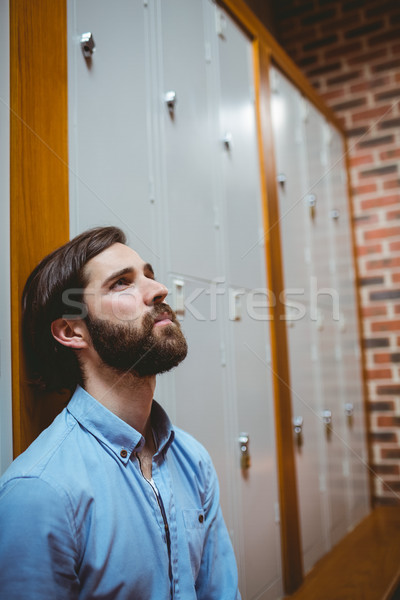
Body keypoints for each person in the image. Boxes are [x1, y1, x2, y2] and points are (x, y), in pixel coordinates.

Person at [0, 226, 240, 599]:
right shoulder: (40, 492)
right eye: (121, 283)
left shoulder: (193, 460)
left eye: (148, 275)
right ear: (72, 331)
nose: (158, 290)